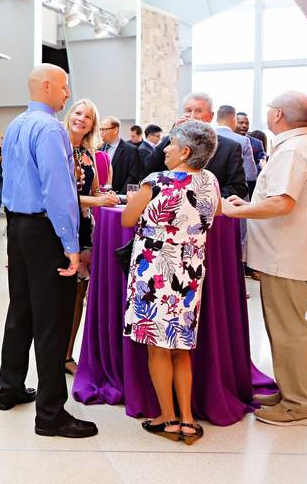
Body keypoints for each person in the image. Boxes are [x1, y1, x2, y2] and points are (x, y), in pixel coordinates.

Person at [0, 64, 97, 439]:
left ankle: (9, 388)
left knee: (20, 308)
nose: (68, 94)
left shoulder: (17, 124)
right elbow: (59, 192)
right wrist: (71, 246)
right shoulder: (51, 128)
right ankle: (51, 413)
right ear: (47, 86)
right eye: (65, 87)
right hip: (43, 230)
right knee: (52, 319)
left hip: (17, 225)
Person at [221, 91, 307, 426]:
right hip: (283, 254)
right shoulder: (297, 145)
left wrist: (237, 212)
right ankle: (290, 390)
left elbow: (282, 203)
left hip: (285, 255)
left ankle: (300, 403)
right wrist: (246, 205)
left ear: (278, 114)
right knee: (283, 328)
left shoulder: (293, 150)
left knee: (288, 330)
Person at [122, 120, 220, 445]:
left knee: (158, 346)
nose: (165, 149)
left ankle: (167, 416)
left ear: (185, 151)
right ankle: (188, 420)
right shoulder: (210, 181)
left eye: (171, 144)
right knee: (181, 346)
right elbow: (214, 215)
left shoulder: (156, 182)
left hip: (155, 270)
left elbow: (126, 218)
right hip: (190, 272)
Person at [63, 99, 118, 376]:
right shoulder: (56, 147)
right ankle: (51, 352)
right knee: (56, 296)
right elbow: (59, 198)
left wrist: (111, 198)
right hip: (58, 230)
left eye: (88, 117)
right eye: (78, 113)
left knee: (77, 295)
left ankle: (67, 354)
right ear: (69, 115)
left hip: (84, 231)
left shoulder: (88, 155)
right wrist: (95, 202)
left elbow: (95, 192)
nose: (82, 119)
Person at [145, 92, 248, 198]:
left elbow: (238, 187)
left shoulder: (230, 147)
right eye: (188, 111)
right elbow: (149, 168)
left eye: (198, 111)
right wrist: (173, 135)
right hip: (169, 206)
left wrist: (204, 201)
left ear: (210, 117)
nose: (192, 116)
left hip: (210, 210)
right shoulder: (169, 142)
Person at [215, 105, 257, 194]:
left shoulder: (204, 138)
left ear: (217, 120)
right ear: (234, 120)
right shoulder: (243, 140)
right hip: (234, 196)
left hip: (207, 193)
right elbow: (251, 175)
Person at [98, 116, 142, 193]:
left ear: (115, 130)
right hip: (99, 196)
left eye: (104, 129)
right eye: (100, 130)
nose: (101, 133)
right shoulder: (98, 149)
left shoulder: (131, 150)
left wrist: (119, 196)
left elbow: (133, 177)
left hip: (119, 197)